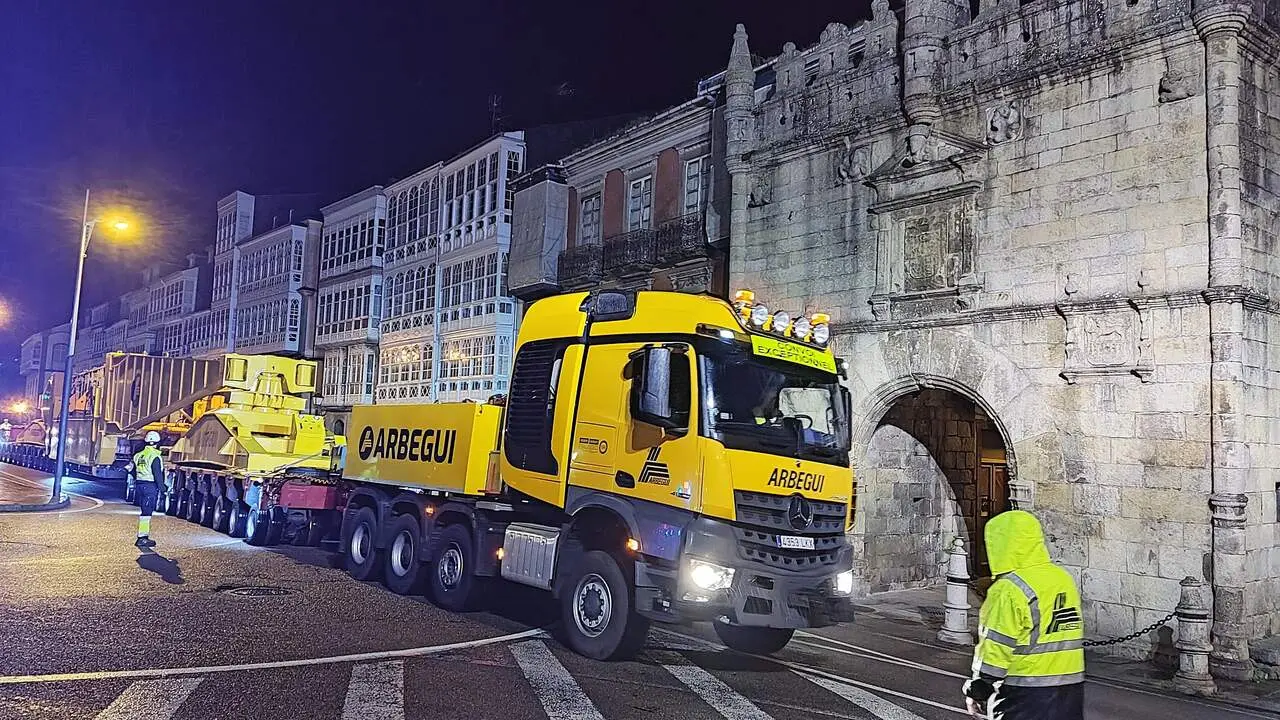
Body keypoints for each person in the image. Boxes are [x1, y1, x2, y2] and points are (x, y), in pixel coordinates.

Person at [963, 510, 1085, 719]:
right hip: (1070, 691)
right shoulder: (1062, 579)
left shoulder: (1009, 589)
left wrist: (978, 688)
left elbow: (996, 648)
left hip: (1024, 693)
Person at [127, 431, 164, 548]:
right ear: (157, 443)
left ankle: (142, 537)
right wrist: (162, 488)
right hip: (150, 487)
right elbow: (157, 474)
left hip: (140, 485)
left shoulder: (138, 455)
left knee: (144, 511)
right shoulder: (155, 456)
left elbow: (132, 471)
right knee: (146, 513)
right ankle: (142, 538)